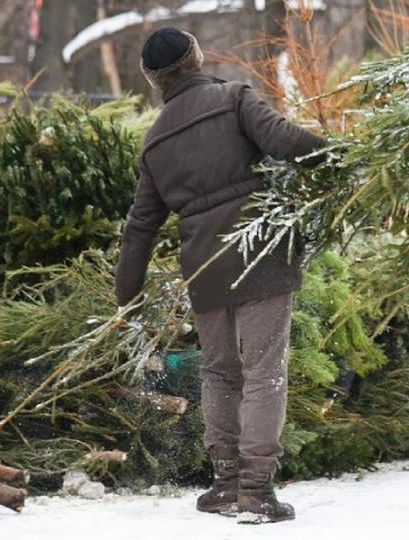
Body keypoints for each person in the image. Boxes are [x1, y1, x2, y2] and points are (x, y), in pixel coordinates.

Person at [114, 27, 325, 524]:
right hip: (259, 252)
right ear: (197, 57)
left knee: (220, 372)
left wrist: (126, 295)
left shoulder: (155, 140)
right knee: (263, 370)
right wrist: (336, 157)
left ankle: (225, 483)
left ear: (152, 78)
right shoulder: (233, 99)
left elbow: (139, 228)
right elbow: (284, 140)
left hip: (205, 267)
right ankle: (256, 490)